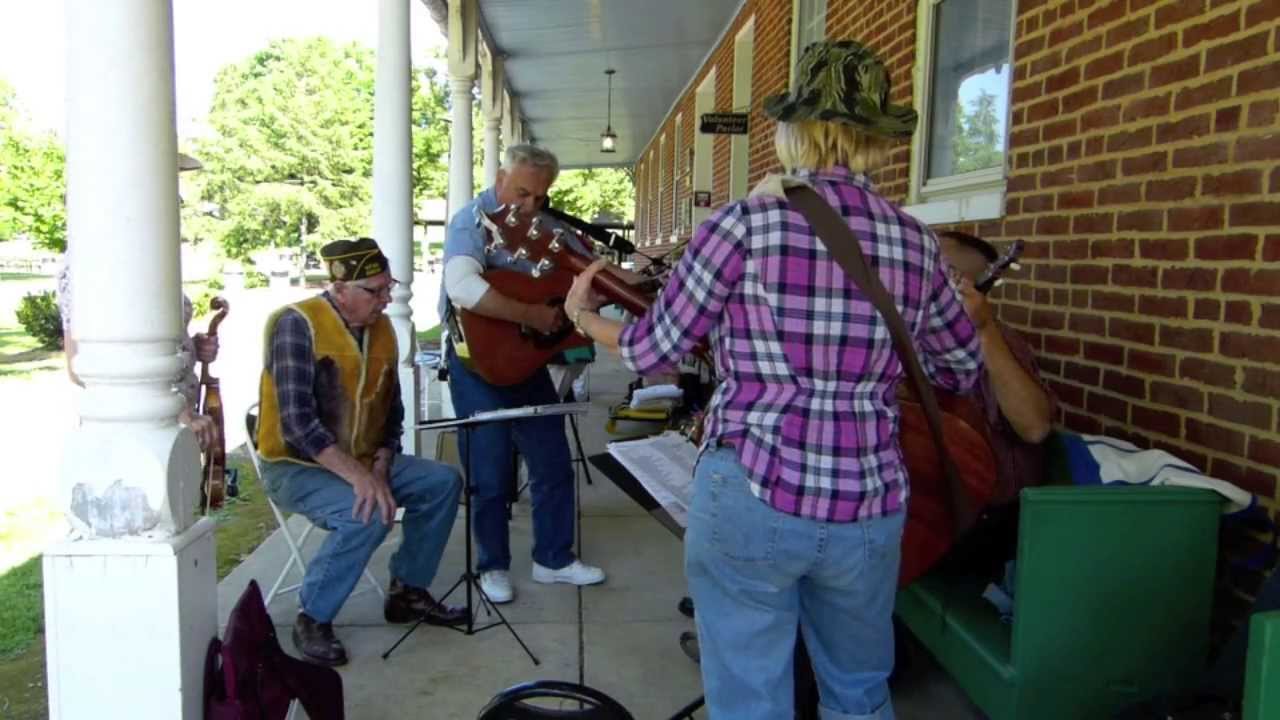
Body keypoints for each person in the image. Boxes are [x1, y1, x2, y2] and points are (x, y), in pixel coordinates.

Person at [564, 41, 985, 719]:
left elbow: (657, 349)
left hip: (755, 489)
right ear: (879, 139)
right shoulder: (915, 241)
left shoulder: (743, 225)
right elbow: (960, 367)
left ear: (793, 130)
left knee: (751, 695)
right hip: (869, 499)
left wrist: (585, 320)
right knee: (858, 691)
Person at [440, 144, 650, 604]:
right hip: (478, 362)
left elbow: (596, 276)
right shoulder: (470, 222)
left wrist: (648, 281)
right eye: (521, 193)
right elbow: (462, 287)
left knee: (552, 461)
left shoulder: (550, 229)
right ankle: (492, 565)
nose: (529, 206)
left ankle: (553, 559)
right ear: (499, 179)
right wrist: (532, 315)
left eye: (540, 197)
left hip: (526, 362)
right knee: (491, 471)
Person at [257, 238, 466, 667]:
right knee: (364, 511)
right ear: (340, 289)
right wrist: (362, 478)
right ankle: (312, 616)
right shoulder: (296, 324)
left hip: (364, 460)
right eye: (376, 290)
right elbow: (298, 425)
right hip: (296, 466)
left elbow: (392, 410)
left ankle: (407, 590)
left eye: (389, 287)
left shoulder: (384, 328)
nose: (387, 298)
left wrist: (384, 459)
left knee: (443, 482)